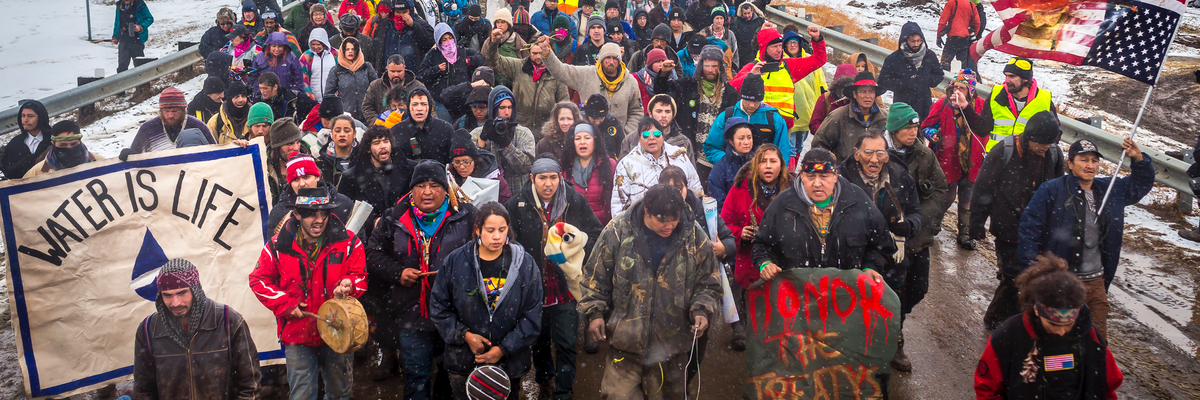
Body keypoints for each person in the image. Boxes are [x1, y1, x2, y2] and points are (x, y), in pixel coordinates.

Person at [581, 183, 721, 399]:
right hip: (625, 346)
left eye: (674, 218)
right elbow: (594, 278)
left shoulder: (693, 235)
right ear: (647, 210)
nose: (670, 225)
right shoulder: (617, 231)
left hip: (672, 348)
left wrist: (702, 309)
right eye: (662, 219)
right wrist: (594, 313)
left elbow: (709, 282)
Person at [1018, 138, 1153, 337]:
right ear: (1070, 163)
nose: (1090, 165)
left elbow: (1139, 185)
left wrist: (1139, 159)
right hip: (1062, 283)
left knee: (1096, 342)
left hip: (1096, 283)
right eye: (1083, 160)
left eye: (1094, 161)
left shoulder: (1109, 190)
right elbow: (1029, 229)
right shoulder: (1053, 190)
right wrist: (1034, 274)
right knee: (1058, 339)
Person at [365, 160, 475, 395]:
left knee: (451, 375)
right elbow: (373, 253)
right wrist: (398, 272)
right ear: (411, 190)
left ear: (446, 189)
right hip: (410, 314)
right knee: (416, 377)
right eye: (420, 185)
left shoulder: (465, 216)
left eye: (434, 185)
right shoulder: (393, 218)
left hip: (454, 315)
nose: (427, 192)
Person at [249, 185, 366, 400]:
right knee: (302, 395)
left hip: (338, 330)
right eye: (311, 214)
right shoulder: (276, 246)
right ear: (296, 214)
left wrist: (350, 285)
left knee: (340, 394)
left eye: (324, 213)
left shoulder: (350, 242)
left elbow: (360, 277)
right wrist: (286, 304)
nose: (319, 220)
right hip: (297, 334)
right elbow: (258, 280)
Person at [505, 157, 603, 400]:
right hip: (532, 288)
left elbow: (595, 233)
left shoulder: (574, 200)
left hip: (565, 286)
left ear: (560, 177)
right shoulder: (517, 204)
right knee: (538, 341)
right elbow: (507, 241)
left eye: (553, 178)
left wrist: (576, 254)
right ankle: (544, 382)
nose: (548, 184)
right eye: (542, 178)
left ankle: (564, 392)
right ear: (532, 179)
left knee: (567, 343)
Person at [429, 203, 543, 400]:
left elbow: (532, 314)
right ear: (477, 230)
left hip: (510, 363)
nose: (497, 236)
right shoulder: (456, 262)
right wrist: (465, 336)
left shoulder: (524, 263)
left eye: (502, 229)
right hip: (464, 361)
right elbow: (439, 307)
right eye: (490, 230)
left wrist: (503, 349)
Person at [974, 255, 1124, 399]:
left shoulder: (1090, 335)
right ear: (1036, 310)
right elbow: (987, 388)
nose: (1061, 332)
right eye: (1053, 324)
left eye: (1069, 324)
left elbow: (1109, 385)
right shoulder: (1008, 336)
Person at [971, 110, 1065, 331]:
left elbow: (1060, 191)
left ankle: (1017, 322)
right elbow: (983, 189)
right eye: (1040, 144)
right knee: (1013, 276)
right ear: (1029, 137)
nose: (1044, 149)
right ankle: (995, 319)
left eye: (1049, 144)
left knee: (1033, 277)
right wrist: (976, 224)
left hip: (1038, 230)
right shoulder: (1003, 151)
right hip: (1008, 227)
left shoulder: (1054, 154)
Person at [753, 146, 895, 283]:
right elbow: (762, 245)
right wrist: (765, 263)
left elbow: (882, 245)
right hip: (799, 297)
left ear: (835, 176)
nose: (817, 183)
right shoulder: (782, 205)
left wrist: (870, 266)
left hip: (847, 296)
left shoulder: (858, 200)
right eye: (810, 176)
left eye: (824, 176)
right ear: (801, 176)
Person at [134, 259, 261, 399]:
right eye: (168, 295)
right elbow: (143, 391)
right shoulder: (148, 330)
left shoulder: (228, 321)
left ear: (196, 290)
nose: (176, 303)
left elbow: (250, 384)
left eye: (182, 293)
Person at [885, 103, 947, 371]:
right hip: (886, 238)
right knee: (889, 291)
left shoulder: (923, 154)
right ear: (894, 129)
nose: (914, 132)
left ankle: (895, 322)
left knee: (918, 288)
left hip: (916, 236)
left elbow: (941, 189)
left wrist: (916, 221)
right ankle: (891, 339)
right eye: (908, 127)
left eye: (915, 126)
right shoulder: (878, 151)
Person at [722, 144, 787, 350]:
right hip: (748, 258)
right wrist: (741, 233)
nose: (768, 167)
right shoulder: (740, 189)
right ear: (756, 165)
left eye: (773, 161)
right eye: (763, 161)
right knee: (745, 296)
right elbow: (725, 223)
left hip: (781, 258)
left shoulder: (791, 191)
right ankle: (743, 331)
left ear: (781, 166)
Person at [922, 69, 991, 250]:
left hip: (972, 161)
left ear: (971, 91)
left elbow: (987, 131)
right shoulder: (943, 104)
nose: (957, 92)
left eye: (962, 88)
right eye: (955, 87)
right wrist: (931, 134)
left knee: (967, 198)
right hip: (948, 159)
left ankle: (964, 233)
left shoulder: (982, 107)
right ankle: (933, 225)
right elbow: (927, 125)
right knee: (947, 195)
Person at [730, 25, 827, 131]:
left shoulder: (789, 66)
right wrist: (750, 77)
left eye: (780, 46)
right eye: (774, 46)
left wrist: (817, 40)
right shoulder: (752, 68)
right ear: (764, 48)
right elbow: (731, 90)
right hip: (758, 127)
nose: (779, 50)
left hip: (784, 127)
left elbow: (819, 59)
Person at [337, 125, 417, 239]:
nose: (383, 146)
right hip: (369, 238)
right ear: (368, 149)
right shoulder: (351, 177)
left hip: (405, 233)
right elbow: (346, 212)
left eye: (386, 141)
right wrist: (373, 221)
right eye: (376, 143)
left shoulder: (411, 169)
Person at [612, 117, 702, 217]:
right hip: (642, 225)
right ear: (638, 138)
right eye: (646, 135)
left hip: (680, 220)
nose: (652, 138)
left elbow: (696, 191)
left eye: (656, 134)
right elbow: (618, 205)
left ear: (663, 136)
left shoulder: (679, 156)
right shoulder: (626, 164)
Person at [704, 74, 790, 174]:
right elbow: (711, 147)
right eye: (748, 100)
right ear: (742, 97)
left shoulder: (775, 119)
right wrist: (728, 162)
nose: (751, 105)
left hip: (763, 176)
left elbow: (783, 153)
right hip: (730, 176)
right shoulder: (726, 116)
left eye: (756, 101)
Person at [265, 151, 355, 239]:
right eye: (296, 179)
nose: (302, 183)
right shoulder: (279, 212)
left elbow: (357, 241)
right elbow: (274, 247)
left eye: (305, 177)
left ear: (317, 177)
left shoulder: (342, 204)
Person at [470, 86, 538, 189]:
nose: (507, 112)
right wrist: (482, 139)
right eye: (502, 108)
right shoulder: (476, 133)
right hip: (490, 194)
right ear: (493, 109)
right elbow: (472, 168)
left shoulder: (524, 133)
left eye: (509, 107)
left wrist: (507, 146)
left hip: (518, 195)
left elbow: (526, 167)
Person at [811, 71, 888, 162]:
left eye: (871, 92)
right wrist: (831, 163)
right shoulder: (838, 116)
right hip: (842, 172)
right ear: (854, 94)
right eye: (863, 92)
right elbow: (819, 144)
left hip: (874, 171)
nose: (868, 96)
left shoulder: (884, 118)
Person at [878, 22, 944, 124]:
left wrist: (926, 81)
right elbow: (883, 81)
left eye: (919, 41)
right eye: (912, 41)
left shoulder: (929, 56)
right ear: (905, 40)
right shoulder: (894, 58)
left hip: (924, 104)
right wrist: (903, 83)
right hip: (902, 104)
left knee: (922, 135)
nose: (916, 44)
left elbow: (939, 74)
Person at [986, 57, 1056, 151]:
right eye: (1006, 76)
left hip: (1027, 159)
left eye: (1012, 76)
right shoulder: (996, 94)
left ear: (1026, 79)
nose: (1007, 80)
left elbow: (1054, 132)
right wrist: (966, 107)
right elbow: (983, 129)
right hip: (997, 156)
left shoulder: (1044, 99)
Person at [418, 23, 486, 120]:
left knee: (462, 128)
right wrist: (436, 69)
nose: (448, 42)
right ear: (438, 41)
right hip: (442, 102)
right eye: (444, 39)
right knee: (446, 129)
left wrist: (469, 61)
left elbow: (481, 58)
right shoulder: (433, 54)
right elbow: (421, 75)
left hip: (462, 98)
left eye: (450, 38)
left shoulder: (462, 51)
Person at [128, 88, 216, 154]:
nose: (170, 115)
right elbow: (135, 157)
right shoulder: (148, 129)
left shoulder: (198, 126)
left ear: (183, 110)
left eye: (175, 111)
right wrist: (128, 154)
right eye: (166, 111)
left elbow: (216, 154)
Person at [562, 123, 617, 225]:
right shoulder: (564, 166)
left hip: (601, 226)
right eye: (578, 138)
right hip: (573, 227)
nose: (582, 142)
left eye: (587, 138)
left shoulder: (610, 165)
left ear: (595, 142)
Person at [619, 94, 696, 160]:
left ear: (673, 115)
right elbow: (621, 172)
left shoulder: (684, 142)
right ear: (650, 113)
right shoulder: (631, 140)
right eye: (659, 111)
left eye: (667, 111)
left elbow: (691, 175)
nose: (663, 115)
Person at [391, 87, 456, 163]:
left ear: (430, 106)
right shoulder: (396, 131)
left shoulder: (445, 129)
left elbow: (452, 162)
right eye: (415, 104)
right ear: (408, 106)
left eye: (423, 104)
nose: (419, 108)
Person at [371, 0, 436, 73]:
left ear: (410, 11)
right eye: (398, 12)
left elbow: (430, 42)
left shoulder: (419, 23)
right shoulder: (384, 25)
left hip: (413, 75)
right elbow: (375, 49)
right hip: (388, 74)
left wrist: (414, 25)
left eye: (404, 12)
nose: (401, 15)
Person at [448, 131, 512, 203]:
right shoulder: (449, 177)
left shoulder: (493, 177)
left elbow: (506, 202)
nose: (462, 167)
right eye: (457, 162)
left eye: (466, 162)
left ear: (475, 160)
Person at [23, 120, 104, 178]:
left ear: (80, 141)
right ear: (53, 144)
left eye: (73, 144)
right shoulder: (37, 173)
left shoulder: (99, 162)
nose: (69, 148)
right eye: (63, 145)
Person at [325, 37, 379, 121]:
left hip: (368, 115)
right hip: (346, 116)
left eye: (353, 49)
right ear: (343, 51)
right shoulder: (336, 70)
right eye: (347, 49)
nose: (350, 51)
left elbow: (377, 89)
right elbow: (328, 95)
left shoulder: (367, 67)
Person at [363, 55, 427, 121]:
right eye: (392, 71)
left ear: (404, 68)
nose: (396, 74)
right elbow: (367, 107)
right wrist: (378, 124)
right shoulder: (375, 85)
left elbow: (426, 107)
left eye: (399, 71)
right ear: (387, 69)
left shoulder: (418, 86)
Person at [708, 118, 755, 207]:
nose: (746, 142)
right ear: (731, 141)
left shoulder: (760, 163)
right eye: (741, 138)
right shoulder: (720, 168)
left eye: (749, 137)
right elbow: (718, 203)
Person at [2, 100, 53, 179]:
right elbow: (8, 171)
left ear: (41, 118)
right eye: (23, 116)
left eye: (30, 116)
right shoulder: (15, 144)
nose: (25, 120)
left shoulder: (53, 139)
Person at [251, 32, 309, 101]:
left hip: (286, 98)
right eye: (274, 46)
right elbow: (253, 77)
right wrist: (260, 93)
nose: (276, 49)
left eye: (279, 46)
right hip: (265, 97)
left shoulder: (291, 57)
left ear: (284, 47)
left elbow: (298, 78)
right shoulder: (259, 58)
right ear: (269, 46)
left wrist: (292, 95)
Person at [265, 118, 311, 200]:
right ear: (277, 147)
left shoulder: (311, 162)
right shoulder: (265, 167)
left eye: (298, 142)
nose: (296, 148)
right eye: (290, 144)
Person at [808, 63, 857, 134]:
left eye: (850, 87)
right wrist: (830, 132)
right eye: (843, 86)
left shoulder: (859, 101)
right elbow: (814, 125)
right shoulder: (826, 99)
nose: (846, 90)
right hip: (828, 142)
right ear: (837, 86)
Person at [936, 0, 980, 71]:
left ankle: (944, 80)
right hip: (964, 39)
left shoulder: (952, 3)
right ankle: (961, 80)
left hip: (952, 39)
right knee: (962, 66)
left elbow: (943, 21)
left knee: (945, 63)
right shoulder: (971, 5)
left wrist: (939, 35)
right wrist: (972, 35)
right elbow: (977, 23)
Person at [315, 115, 359, 185]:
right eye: (337, 131)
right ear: (331, 133)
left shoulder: (364, 158)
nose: (342, 134)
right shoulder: (320, 162)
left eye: (347, 131)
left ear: (354, 134)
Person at [113, 0, 153, 73]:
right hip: (124, 40)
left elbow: (149, 19)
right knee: (122, 67)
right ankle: (122, 83)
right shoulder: (119, 6)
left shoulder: (140, 4)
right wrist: (115, 36)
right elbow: (117, 21)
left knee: (140, 66)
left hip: (137, 40)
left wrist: (140, 27)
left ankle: (141, 83)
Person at [582, 95, 626, 159]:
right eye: (594, 118)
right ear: (587, 115)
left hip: (609, 164)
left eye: (601, 118)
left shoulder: (612, 124)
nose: (597, 122)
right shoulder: (580, 124)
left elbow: (622, 150)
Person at [729, 2, 763, 67]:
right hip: (741, 53)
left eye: (748, 13)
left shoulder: (759, 21)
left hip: (755, 52)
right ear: (742, 13)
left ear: (752, 11)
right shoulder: (736, 22)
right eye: (745, 13)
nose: (747, 16)